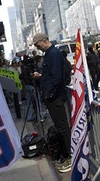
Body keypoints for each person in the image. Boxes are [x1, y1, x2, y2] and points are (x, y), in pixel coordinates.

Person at [31, 33, 72, 173]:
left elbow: (56, 77)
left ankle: (70, 157)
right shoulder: (50, 54)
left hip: (55, 98)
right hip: (53, 96)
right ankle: (67, 156)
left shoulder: (53, 54)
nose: (37, 47)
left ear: (44, 41)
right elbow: (51, 75)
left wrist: (49, 94)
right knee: (61, 128)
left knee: (63, 128)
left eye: (38, 44)